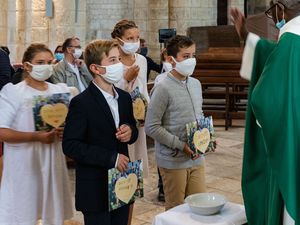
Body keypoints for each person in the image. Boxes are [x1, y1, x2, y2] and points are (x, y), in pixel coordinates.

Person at [231, 1, 300, 224]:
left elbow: (266, 99)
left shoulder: (290, 40)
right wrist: (247, 36)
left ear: (281, 7)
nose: (273, 17)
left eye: (271, 11)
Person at [62, 39, 138, 225]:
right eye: (112, 61)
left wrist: (130, 131)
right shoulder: (82, 102)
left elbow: (133, 128)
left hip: (121, 183)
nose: (119, 64)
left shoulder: (124, 98)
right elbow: (71, 145)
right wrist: (110, 158)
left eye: (119, 59)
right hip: (95, 188)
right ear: (96, 69)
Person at [0, 43, 73, 224]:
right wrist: (36, 137)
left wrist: (66, 131)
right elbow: (2, 131)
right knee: (23, 210)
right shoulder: (13, 92)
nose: (46, 66)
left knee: (51, 208)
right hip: (24, 160)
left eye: (49, 62)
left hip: (52, 159)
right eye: (40, 62)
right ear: (27, 65)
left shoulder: (60, 91)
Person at [145, 35, 206, 210]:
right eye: (185, 56)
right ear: (171, 60)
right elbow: (151, 126)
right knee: (176, 211)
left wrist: (207, 137)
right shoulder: (163, 87)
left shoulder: (195, 84)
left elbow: (199, 114)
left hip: (196, 157)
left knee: (200, 206)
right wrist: (180, 145)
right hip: (173, 160)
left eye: (193, 55)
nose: (191, 60)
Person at [111, 20, 150, 178]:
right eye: (130, 38)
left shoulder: (142, 60)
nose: (135, 42)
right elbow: (111, 92)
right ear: (118, 40)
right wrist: (125, 79)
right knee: (122, 167)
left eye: (137, 37)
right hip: (120, 120)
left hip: (138, 118)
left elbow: (144, 89)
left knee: (136, 166)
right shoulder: (113, 61)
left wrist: (147, 111)